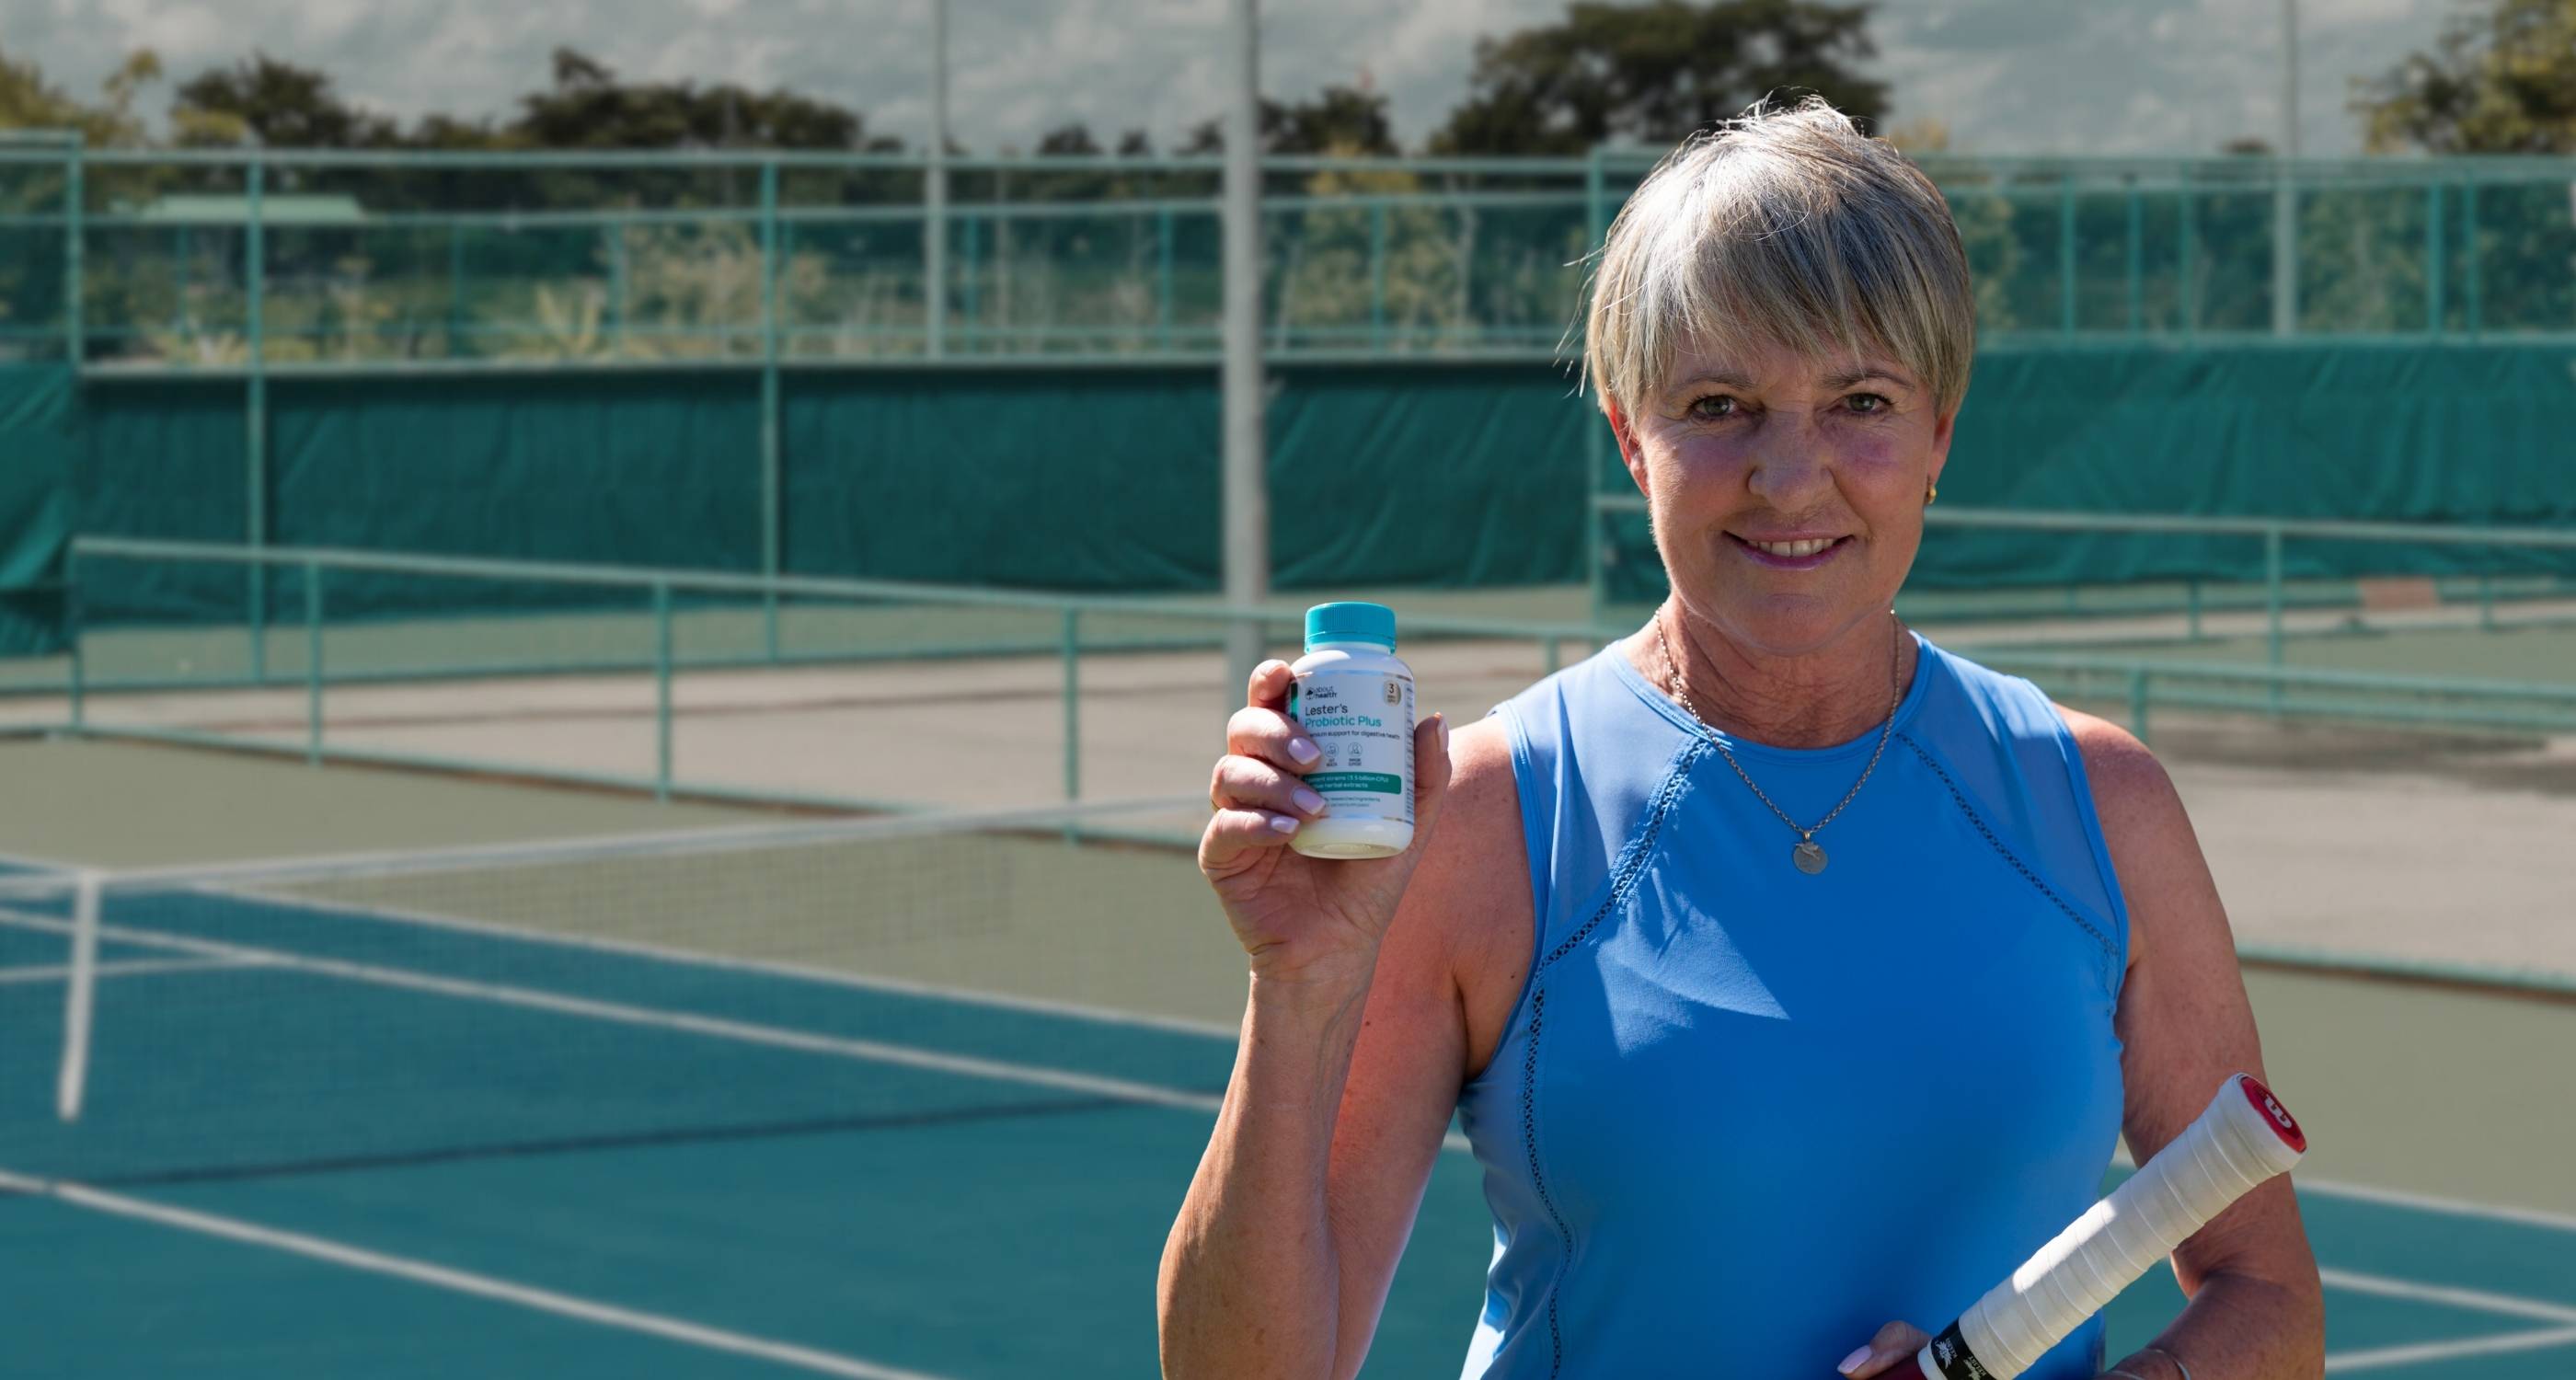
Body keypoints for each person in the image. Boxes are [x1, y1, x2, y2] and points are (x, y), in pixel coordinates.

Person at [1157, 96, 2324, 1380]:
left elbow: (2268, 1297)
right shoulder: (1486, 816)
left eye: (1860, 401)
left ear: (1939, 432)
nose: (1788, 475)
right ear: (1628, 437)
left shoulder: (2103, 805)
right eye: (1718, 404)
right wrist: (1301, 986)